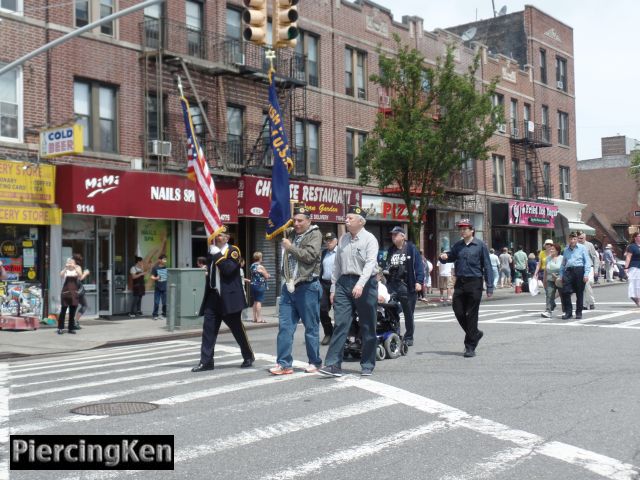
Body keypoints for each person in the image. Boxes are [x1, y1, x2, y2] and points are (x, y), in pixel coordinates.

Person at [319, 205, 378, 377]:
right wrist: (333, 288)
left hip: (365, 283)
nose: (346, 220)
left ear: (361, 221)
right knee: (341, 323)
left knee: (367, 325)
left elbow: (370, 264)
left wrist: (360, 284)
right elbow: (337, 266)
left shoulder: (370, 239)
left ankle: (367, 364)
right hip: (344, 283)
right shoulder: (343, 238)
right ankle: (332, 364)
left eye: (350, 217)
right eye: (346, 217)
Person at [270, 204, 323, 375]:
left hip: (307, 286)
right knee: (285, 327)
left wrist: (290, 247)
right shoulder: (290, 233)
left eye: (300, 220)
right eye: (295, 220)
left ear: (309, 220)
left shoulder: (315, 234)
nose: (297, 223)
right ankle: (284, 363)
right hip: (288, 287)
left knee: (311, 327)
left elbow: (309, 256)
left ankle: (314, 361)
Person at [192, 227, 254, 372]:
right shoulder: (212, 251)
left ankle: (248, 355)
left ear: (226, 238)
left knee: (237, 329)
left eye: (219, 235)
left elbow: (228, 270)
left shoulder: (233, 250)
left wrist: (216, 254)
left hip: (228, 298)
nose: (215, 237)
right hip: (213, 296)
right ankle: (206, 362)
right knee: (208, 331)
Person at [439, 219, 493, 358]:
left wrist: (490, 286)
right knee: (458, 311)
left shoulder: (480, 246)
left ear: (472, 230)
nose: (462, 231)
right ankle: (475, 333)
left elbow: (487, 266)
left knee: (471, 314)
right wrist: (444, 257)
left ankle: (470, 346)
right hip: (460, 283)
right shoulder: (458, 245)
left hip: (475, 282)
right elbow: (451, 256)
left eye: (464, 228)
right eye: (460, 229)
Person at [384, 226, 424, 346]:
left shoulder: (411, 249)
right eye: (392, 235)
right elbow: (386, 265)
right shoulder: (391, 250)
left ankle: (409, 336)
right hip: (392, 285)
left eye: (396, 234)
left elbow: (419, 266)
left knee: (408, 313)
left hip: (406, 285)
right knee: (391, 310)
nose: (393, 237)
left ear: (403, 236)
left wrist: (419, 281)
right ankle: (394, 333)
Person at [559, 231, 591, 320]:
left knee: (579, 293)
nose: (572, 240)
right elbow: (563, 263)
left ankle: (579, 312)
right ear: (569, 239)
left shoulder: (582, 248)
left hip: (579, 270)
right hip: (568, 271)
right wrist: (561, 274)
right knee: (565, 292)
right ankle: (568, 312)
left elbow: (587, 261)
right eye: (571, 239)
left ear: (577, 239)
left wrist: (586, 274)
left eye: (574, 239)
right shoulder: (566, 250)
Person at [319, 231, 338, 345]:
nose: (328, 243)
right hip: (324, 283)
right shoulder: (324, 252)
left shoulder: (340, 252)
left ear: (336, 241)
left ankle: (338, 334)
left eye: (331, 240)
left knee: (338, 310)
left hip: (337, 284)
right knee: (322, 309)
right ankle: (328, 333)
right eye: (326, 240)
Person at [58, 257, 81, 335]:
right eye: (69, 262)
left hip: (74, 293)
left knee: (72, 312)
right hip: (65, 293)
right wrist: (65, 267)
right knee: (63, 312)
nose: (71, 263)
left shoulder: (76, 270)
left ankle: (71, 328)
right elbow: (60, 275)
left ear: (74, 264)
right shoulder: (66, 271)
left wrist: (75, 267)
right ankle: (60, 328)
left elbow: (80, 275)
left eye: (72, 262)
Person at [577, 231, 599, 310]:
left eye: (581, 238)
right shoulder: (576, 246)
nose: (580, 240)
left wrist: (596, 270)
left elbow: (595, 258)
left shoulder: (589, 245)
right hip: (580, 267)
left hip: (589, 267)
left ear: (585, 238)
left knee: (588, 283)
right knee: (583, 286)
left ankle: (590, 302)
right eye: (578, 238)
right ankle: (586, 304)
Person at [540, 243, 563, 318]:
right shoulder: (548, 258)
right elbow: (546, 270)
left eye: (553, 249)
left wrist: (561, 277)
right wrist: (544, 280)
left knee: (563, 295)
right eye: (550, 249)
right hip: (550, 279)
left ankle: (565, 310)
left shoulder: (562, 258)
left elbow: (564, 269)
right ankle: (548, 311)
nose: (551, 250)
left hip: (560, 279)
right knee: (549, 294)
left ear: (557, 251)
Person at [249, 251, 270, 323]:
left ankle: (254, 318)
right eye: (261, 257)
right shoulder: (261, 266)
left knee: (255, 301)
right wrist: (267, 274)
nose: (262, 259)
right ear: (259, 258)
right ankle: (259, 319)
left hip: (253, 285)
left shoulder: (252, 266)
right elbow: (266, 276)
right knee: (259, 302)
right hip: (259, 285)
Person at [72, 253, 90, 329]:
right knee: (84, 305)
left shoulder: (69, 267)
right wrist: (86, 273)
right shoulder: (77, 267)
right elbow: (80, 278)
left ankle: (73, 322)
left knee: (74, 306)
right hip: (78, 289)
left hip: (70, 288)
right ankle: (75, 322)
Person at [150, 254, 168, 321]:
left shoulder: (166, 267)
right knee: (156, 302)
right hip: (158, 288)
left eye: (166, 259)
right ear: (159, 260)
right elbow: (151, 277)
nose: (165, 260)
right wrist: (156, 278)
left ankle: (164, 314)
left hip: (165, 288)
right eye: (164, 259)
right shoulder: (155, 268)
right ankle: (155, 314)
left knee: (165, 302)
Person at [624, 232, 640, 306]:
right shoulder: (632, 246)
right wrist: (626, 267)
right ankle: (636, 299)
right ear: (635, 237)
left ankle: (638, 300)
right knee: (634, 284)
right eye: (639, 236)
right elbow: (628, 257)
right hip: (634, 267)